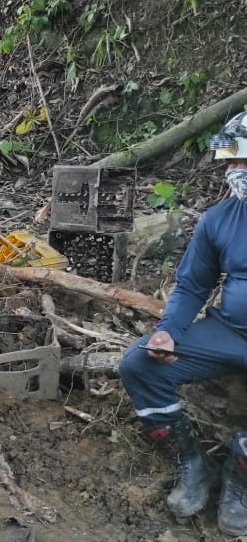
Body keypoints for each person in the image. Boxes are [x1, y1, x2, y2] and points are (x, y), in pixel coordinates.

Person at [118, 110, 247, 535]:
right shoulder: (222, 218)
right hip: (229, 332)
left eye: (241, 161)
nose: (233, 171)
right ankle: (194, 463)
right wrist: (168, 331)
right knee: (139, 364)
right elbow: (192, 286)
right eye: (230, 162)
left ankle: (240, 482)